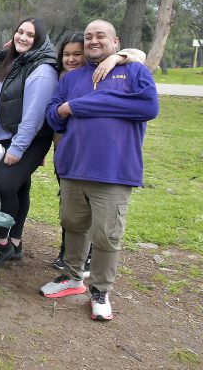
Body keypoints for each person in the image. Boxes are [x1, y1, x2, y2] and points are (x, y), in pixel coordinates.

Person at [39, 20, 159, 322]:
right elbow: (55, 116)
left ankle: (101, 290)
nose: (93, 40)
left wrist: (80, 105)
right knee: (73, 223)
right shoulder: (71, 78)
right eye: (89, 36)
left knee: (107, 235)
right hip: (74, 168)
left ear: (115, 41)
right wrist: (67, 108)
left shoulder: (133, 71)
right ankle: (72, 276)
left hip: (114, 170)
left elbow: (147, 108)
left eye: (100, 36)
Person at [0, 18, 58, 265]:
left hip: (28, 139)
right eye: (20, 32)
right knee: (20, 186)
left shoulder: (43, 70)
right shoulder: (10, 57)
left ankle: (3, 243)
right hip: (1, 134)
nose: (23, 38)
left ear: (39, 40)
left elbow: (34, 116)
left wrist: (16, 149)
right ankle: (15, 243)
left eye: (30, 35)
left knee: (6, 185)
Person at [51, 33, 146, 275]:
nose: (72, 59)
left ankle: (99, 285)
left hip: (110, 166)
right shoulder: (65, 78)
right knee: (73, 219)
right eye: (67, 55)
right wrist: (62, 112)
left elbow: (146, 102)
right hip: (72, 160)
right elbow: (52, 117)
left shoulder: (125, 70)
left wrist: (75, 106)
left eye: (77, 53)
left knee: (105, 229)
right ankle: (71, 267)